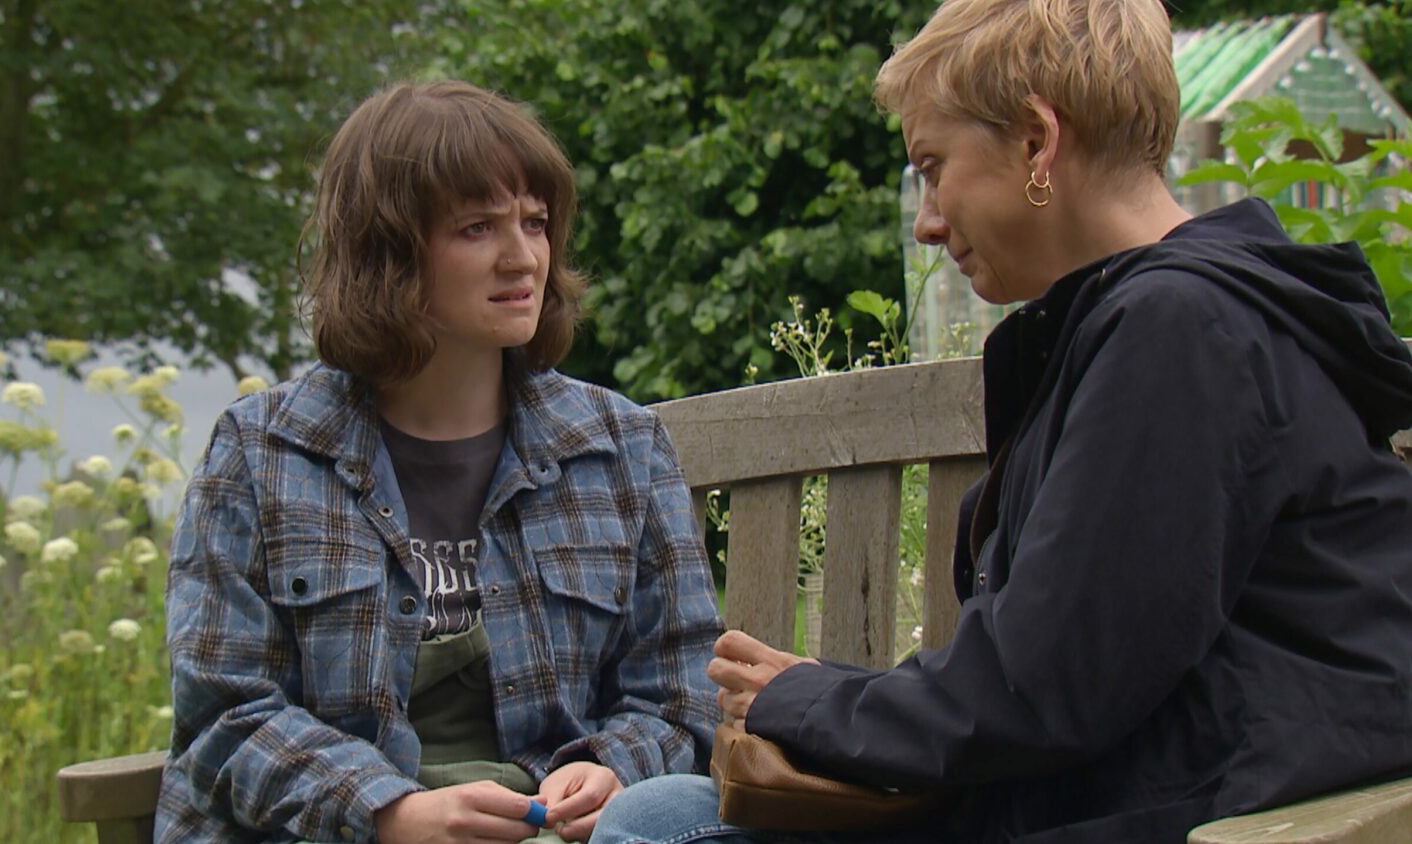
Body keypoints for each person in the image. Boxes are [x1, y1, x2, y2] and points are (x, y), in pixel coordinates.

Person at [591, 1, 1412, 842]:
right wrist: (828, 692)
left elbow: (1051, 686)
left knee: (650, 829)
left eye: (933, 166)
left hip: (1186, 810)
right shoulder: (1171, 320)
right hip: (1148, 784)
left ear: (1035, 142)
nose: (927, 220)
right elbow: (1082, 653)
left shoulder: (1181, 330)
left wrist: (810, 700)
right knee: (660, 811)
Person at [155, 80, 723, 844]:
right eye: (477, 228)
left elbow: (683, 693)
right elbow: (223, 714)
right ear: (387, 253)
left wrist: (615, 767)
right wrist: (385, 812)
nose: (522, 258)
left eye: (534, 222)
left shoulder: (620, 448)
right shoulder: (263, 454)